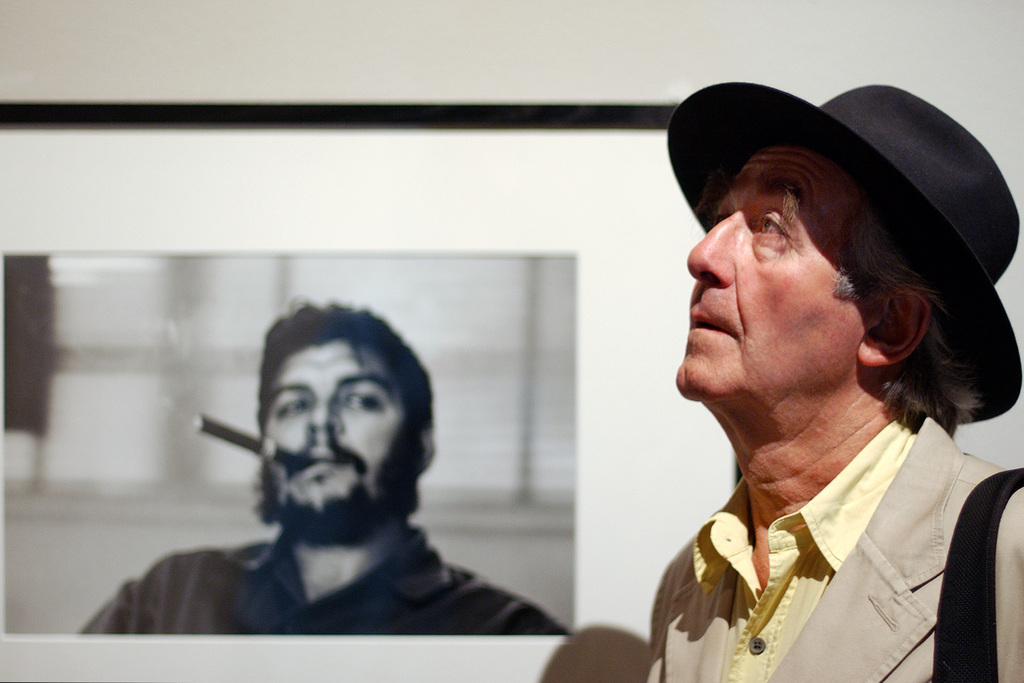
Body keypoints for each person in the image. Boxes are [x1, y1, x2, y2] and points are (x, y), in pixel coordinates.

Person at [647, 83, 1024, 681]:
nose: (703, 254)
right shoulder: (690, 587)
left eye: (770, 226)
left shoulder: (1010, 558)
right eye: (721, 219)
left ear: (888, 325)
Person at [83, 303, 568, 635]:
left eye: (357, 400)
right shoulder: (168, 597)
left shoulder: (504, 630)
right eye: (294, 406)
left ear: (421, 445)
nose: (320, 427)